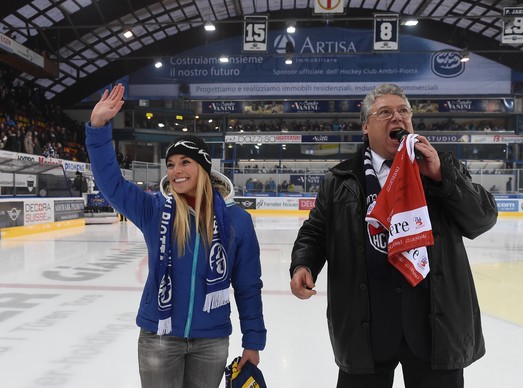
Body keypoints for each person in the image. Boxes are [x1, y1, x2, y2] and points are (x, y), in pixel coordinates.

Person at [290, 83, 498, 388]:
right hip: (366, 325)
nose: (397, 118)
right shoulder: (340, 180)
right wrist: (303, 263)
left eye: (403, 111)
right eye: (384, 112)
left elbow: (482, 219)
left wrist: (443, 177)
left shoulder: (439, 168)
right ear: (365, 126)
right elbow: (316, 231)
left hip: (433, 325)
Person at [85, 84, 266, 388]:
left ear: (204, 168)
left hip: (211, 340)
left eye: (185, 162)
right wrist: (98, 128)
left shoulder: (238, 221)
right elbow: (112, 184)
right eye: (170, 164)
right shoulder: (155, 210)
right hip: (159, 336)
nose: (176, 170)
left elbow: (248, 286)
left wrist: (253, 340)